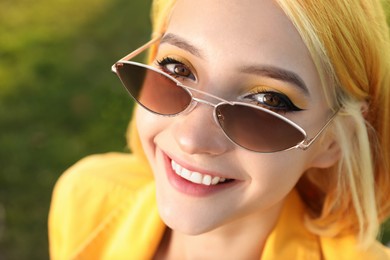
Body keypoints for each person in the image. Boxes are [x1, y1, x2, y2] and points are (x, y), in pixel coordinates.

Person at [48, 0, 390, 259]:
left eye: (267, 101)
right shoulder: (85, 198)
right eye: (177, 67)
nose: (192, 138)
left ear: (334, 141)